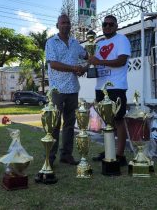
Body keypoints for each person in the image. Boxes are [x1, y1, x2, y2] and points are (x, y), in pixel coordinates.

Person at [88, 15, 131, 166]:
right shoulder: (98, 43)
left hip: (116, 87)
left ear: (116, 26)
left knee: (118, 120)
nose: (107, 27)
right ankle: (109, 150)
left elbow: (121, 61)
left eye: (110, 24)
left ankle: (119, 155)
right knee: (108, 122)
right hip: (100, 87)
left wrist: (99, 61)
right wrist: (88, 63)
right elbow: (93, 61)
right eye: (104, 24)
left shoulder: (122, 40)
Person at [45, 14, 87, 167]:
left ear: (70, 26)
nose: (65, 25)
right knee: (54, 124)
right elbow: (54, 64)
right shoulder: (51, 42)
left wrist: (83, 68)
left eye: (68, 22)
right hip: (57, 90)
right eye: (62, 22)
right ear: (57, 25)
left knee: (70, 124)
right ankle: (49, 158)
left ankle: (66, 155)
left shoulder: (75, 43)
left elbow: (88, 56)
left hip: (73, 89)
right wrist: (73, 68)